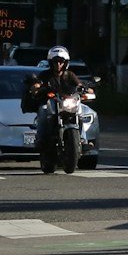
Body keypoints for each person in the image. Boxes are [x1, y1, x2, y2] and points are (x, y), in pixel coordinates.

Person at [21, 47, 87, 175]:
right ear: (51, 62)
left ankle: (83, 139)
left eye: (61, 61)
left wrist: (84, 89)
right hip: (51, 102)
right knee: (43, 109)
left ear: (65, 62)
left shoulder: (70, 75)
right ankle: (40, 138)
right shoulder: (45, 75)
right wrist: (37, 86)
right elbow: (37, 83)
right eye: (55, 61)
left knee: (81, 113)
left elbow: (78, 85)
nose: (58, 64)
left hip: (66, 103)